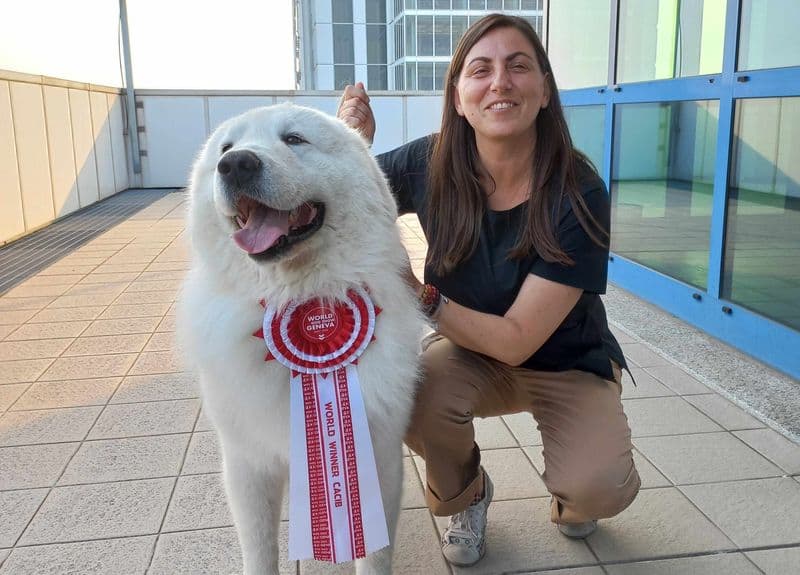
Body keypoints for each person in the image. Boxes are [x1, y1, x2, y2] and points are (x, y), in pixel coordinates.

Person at [338, 13, 640, 568]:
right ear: (458, 95)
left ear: (545, 89)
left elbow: (519, 339)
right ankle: (468, 496)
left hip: (566, 359)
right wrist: (351, 140)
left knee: (598, 487)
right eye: (480, 70)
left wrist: (418, 293)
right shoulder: (430, 163)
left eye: (518, 66)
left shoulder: (578, 191)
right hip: (470, 354)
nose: (499, 82)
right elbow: (340, 193)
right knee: (411, 400)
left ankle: (575, 496)